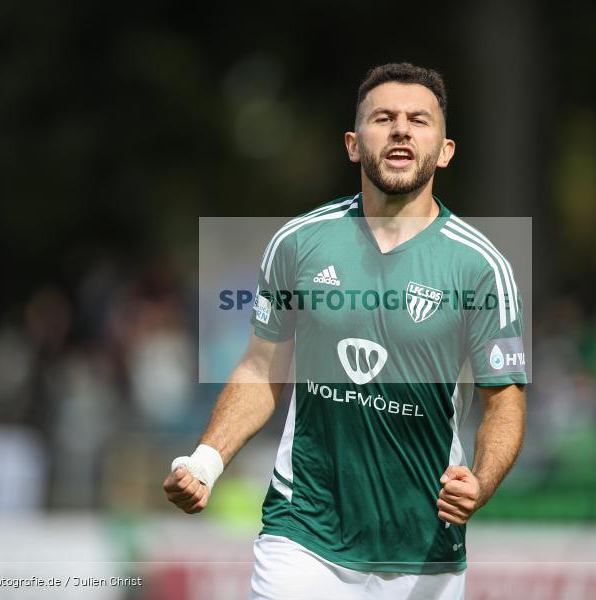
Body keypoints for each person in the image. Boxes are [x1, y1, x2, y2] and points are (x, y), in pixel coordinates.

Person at [164, 62, 527, 600]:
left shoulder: (480, 267)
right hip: (303, 530)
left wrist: (481, 481)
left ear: (445, 150)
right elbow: (262, 369)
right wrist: (205, 462)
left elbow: (505, 402)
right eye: (384, 118)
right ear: (354, 145)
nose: (401, 130)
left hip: (423, 544)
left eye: (418, 120)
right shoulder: (298, 243)